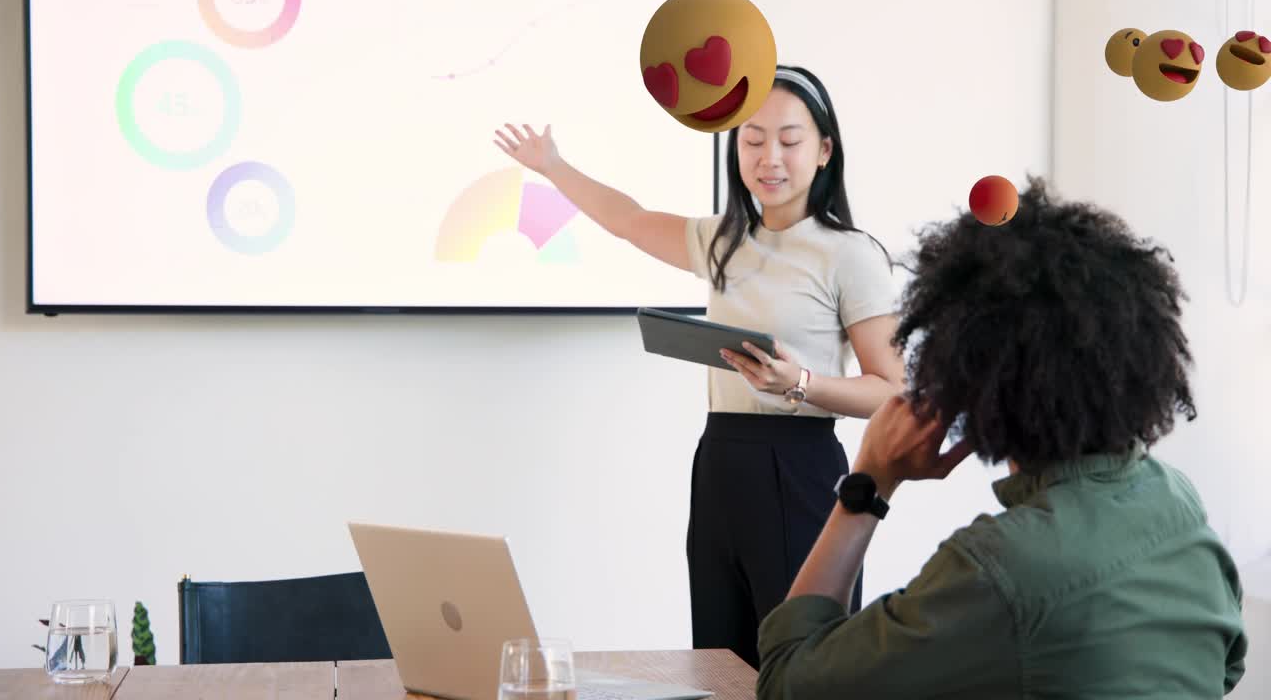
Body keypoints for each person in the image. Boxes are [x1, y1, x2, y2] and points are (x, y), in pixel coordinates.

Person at [756, 178, 1248, 698]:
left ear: (972, 377)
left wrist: (869, 482)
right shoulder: (1173, 496)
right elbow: (1226, 664)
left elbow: (790, 681)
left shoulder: (1002, 568)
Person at [493, 65, 905, 668]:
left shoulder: (851, 253)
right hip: (719, 461)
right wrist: (553, 165)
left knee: (805, 663)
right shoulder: (722, 241)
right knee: (720, 659)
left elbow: (892, 392)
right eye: (752, 139)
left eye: (789, 141)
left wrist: (801, 383)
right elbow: (629, 220)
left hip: (800, 466)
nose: (770, 157)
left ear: (823, 151)